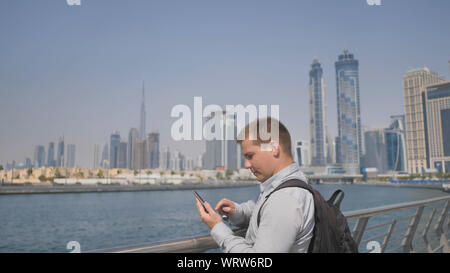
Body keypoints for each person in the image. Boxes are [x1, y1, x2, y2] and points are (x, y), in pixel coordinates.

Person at [195, 117, 315, 253]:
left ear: (274, 148)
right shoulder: (286, 185)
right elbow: (263, 210)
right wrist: (236, 211)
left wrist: (217, 227)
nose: (246, 165)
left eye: (250, 156)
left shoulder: (284, 199)